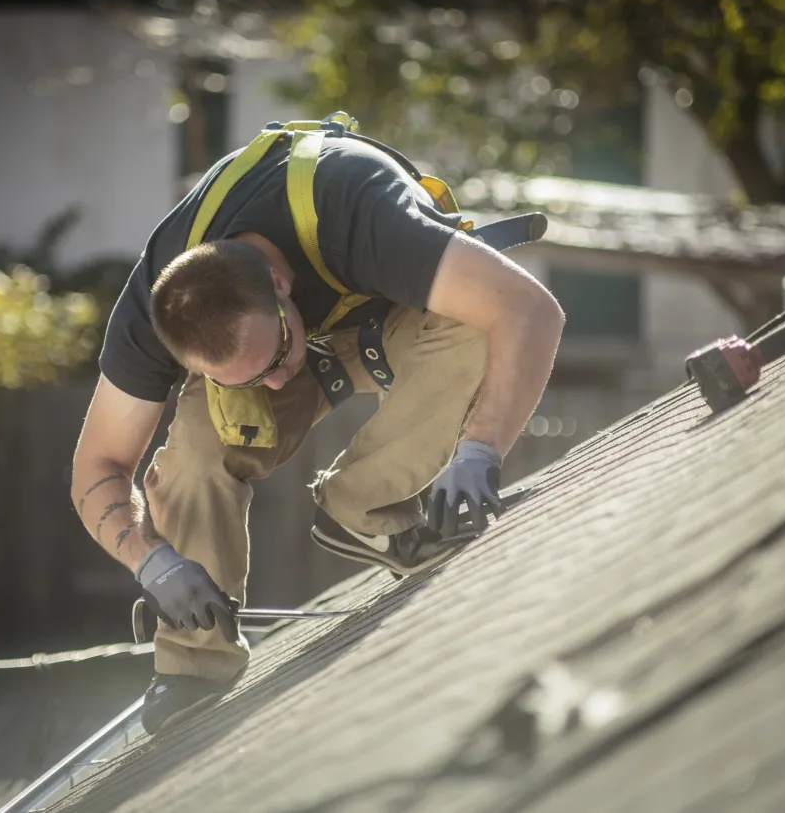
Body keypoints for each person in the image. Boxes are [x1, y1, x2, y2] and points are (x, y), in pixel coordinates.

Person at [70, 119, 565, 734]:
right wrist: (152, 563)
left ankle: (363, 509)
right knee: (193, 451)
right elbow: (98, 468)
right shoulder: (156, 308)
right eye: (243, 378)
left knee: (478, 332)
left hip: (390, 320)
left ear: (280, 286)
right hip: (286, 332)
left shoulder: (359, 212)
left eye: (275, 359)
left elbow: (531, 309)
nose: (276, 386)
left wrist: (479, 451)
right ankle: (195, 662)